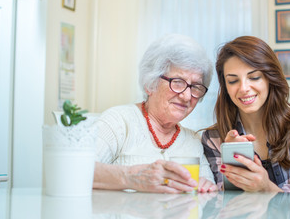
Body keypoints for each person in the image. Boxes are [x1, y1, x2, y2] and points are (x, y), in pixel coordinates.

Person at [93, 34, 218, 193]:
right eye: (178, 82)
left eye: (195, 87)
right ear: (150, 83)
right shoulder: (118, 122)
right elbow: (76, 170)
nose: (187, 96)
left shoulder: (193, 141)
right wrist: (131, 177)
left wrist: (205, 188)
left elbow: (209, 191)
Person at [202, 36, 290, 192]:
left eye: (254, 77)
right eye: (233, 81)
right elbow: (227, 206)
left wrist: (266, 187)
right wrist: (232, 160)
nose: (244, 88)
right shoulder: (213, 138)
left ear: (270, 78)